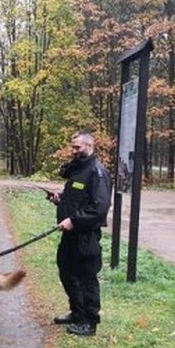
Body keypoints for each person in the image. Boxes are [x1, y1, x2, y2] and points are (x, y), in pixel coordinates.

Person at [47, 131, 112, 336]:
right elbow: (77, 196)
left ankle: (89, 322)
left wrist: (73, 221)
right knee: (66, 271)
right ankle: (77, 312)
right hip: (70, 235)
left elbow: (99, 208)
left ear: (90, 146)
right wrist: (60, 198)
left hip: (86, 236)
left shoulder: (97, 172)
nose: (73, 150)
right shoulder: (79, 169)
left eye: (78, 147)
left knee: (86, 277)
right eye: (72, 147)